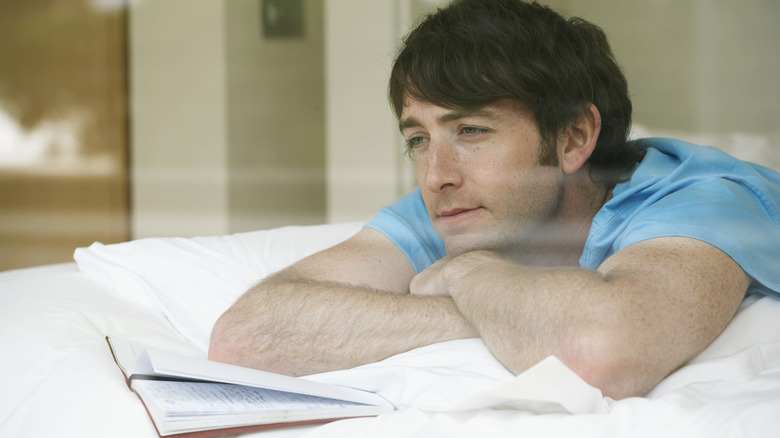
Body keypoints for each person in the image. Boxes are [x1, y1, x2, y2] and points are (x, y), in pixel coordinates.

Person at [208, 0, 780, 400]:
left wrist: (469, 273)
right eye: (418, 139)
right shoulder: (472, 204)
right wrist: (501, 312)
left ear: (575, 137)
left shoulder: (702, 198)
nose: (435, 175)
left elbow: (600, 350)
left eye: (472, 131)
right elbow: (247, 336)